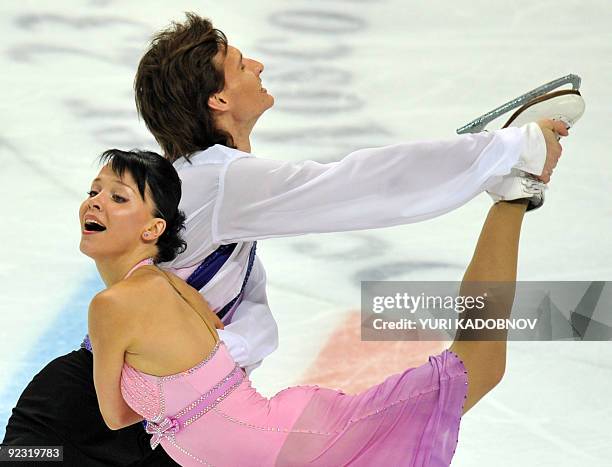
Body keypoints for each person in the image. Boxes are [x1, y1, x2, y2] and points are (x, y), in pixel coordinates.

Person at [3, 12, 570, 466]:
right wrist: (503, 152)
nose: (258, 63)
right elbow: (356, 187)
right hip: (79, 418)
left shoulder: (206, 185)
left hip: (167, 430)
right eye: (237, 63)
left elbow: (233, 320)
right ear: (218, 101)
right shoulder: (217, 181)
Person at [84, 148, 546, 466]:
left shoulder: (113, 305)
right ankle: (515, 197)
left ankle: (515, 194)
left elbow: (114, 415)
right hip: (277, 441)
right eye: (95, 191)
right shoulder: (170, 286)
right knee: (477, 363)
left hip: (286, 449)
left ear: (153, 229)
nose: (97, 202)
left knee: (477, 364)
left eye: (118, 197)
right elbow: (221, 357)